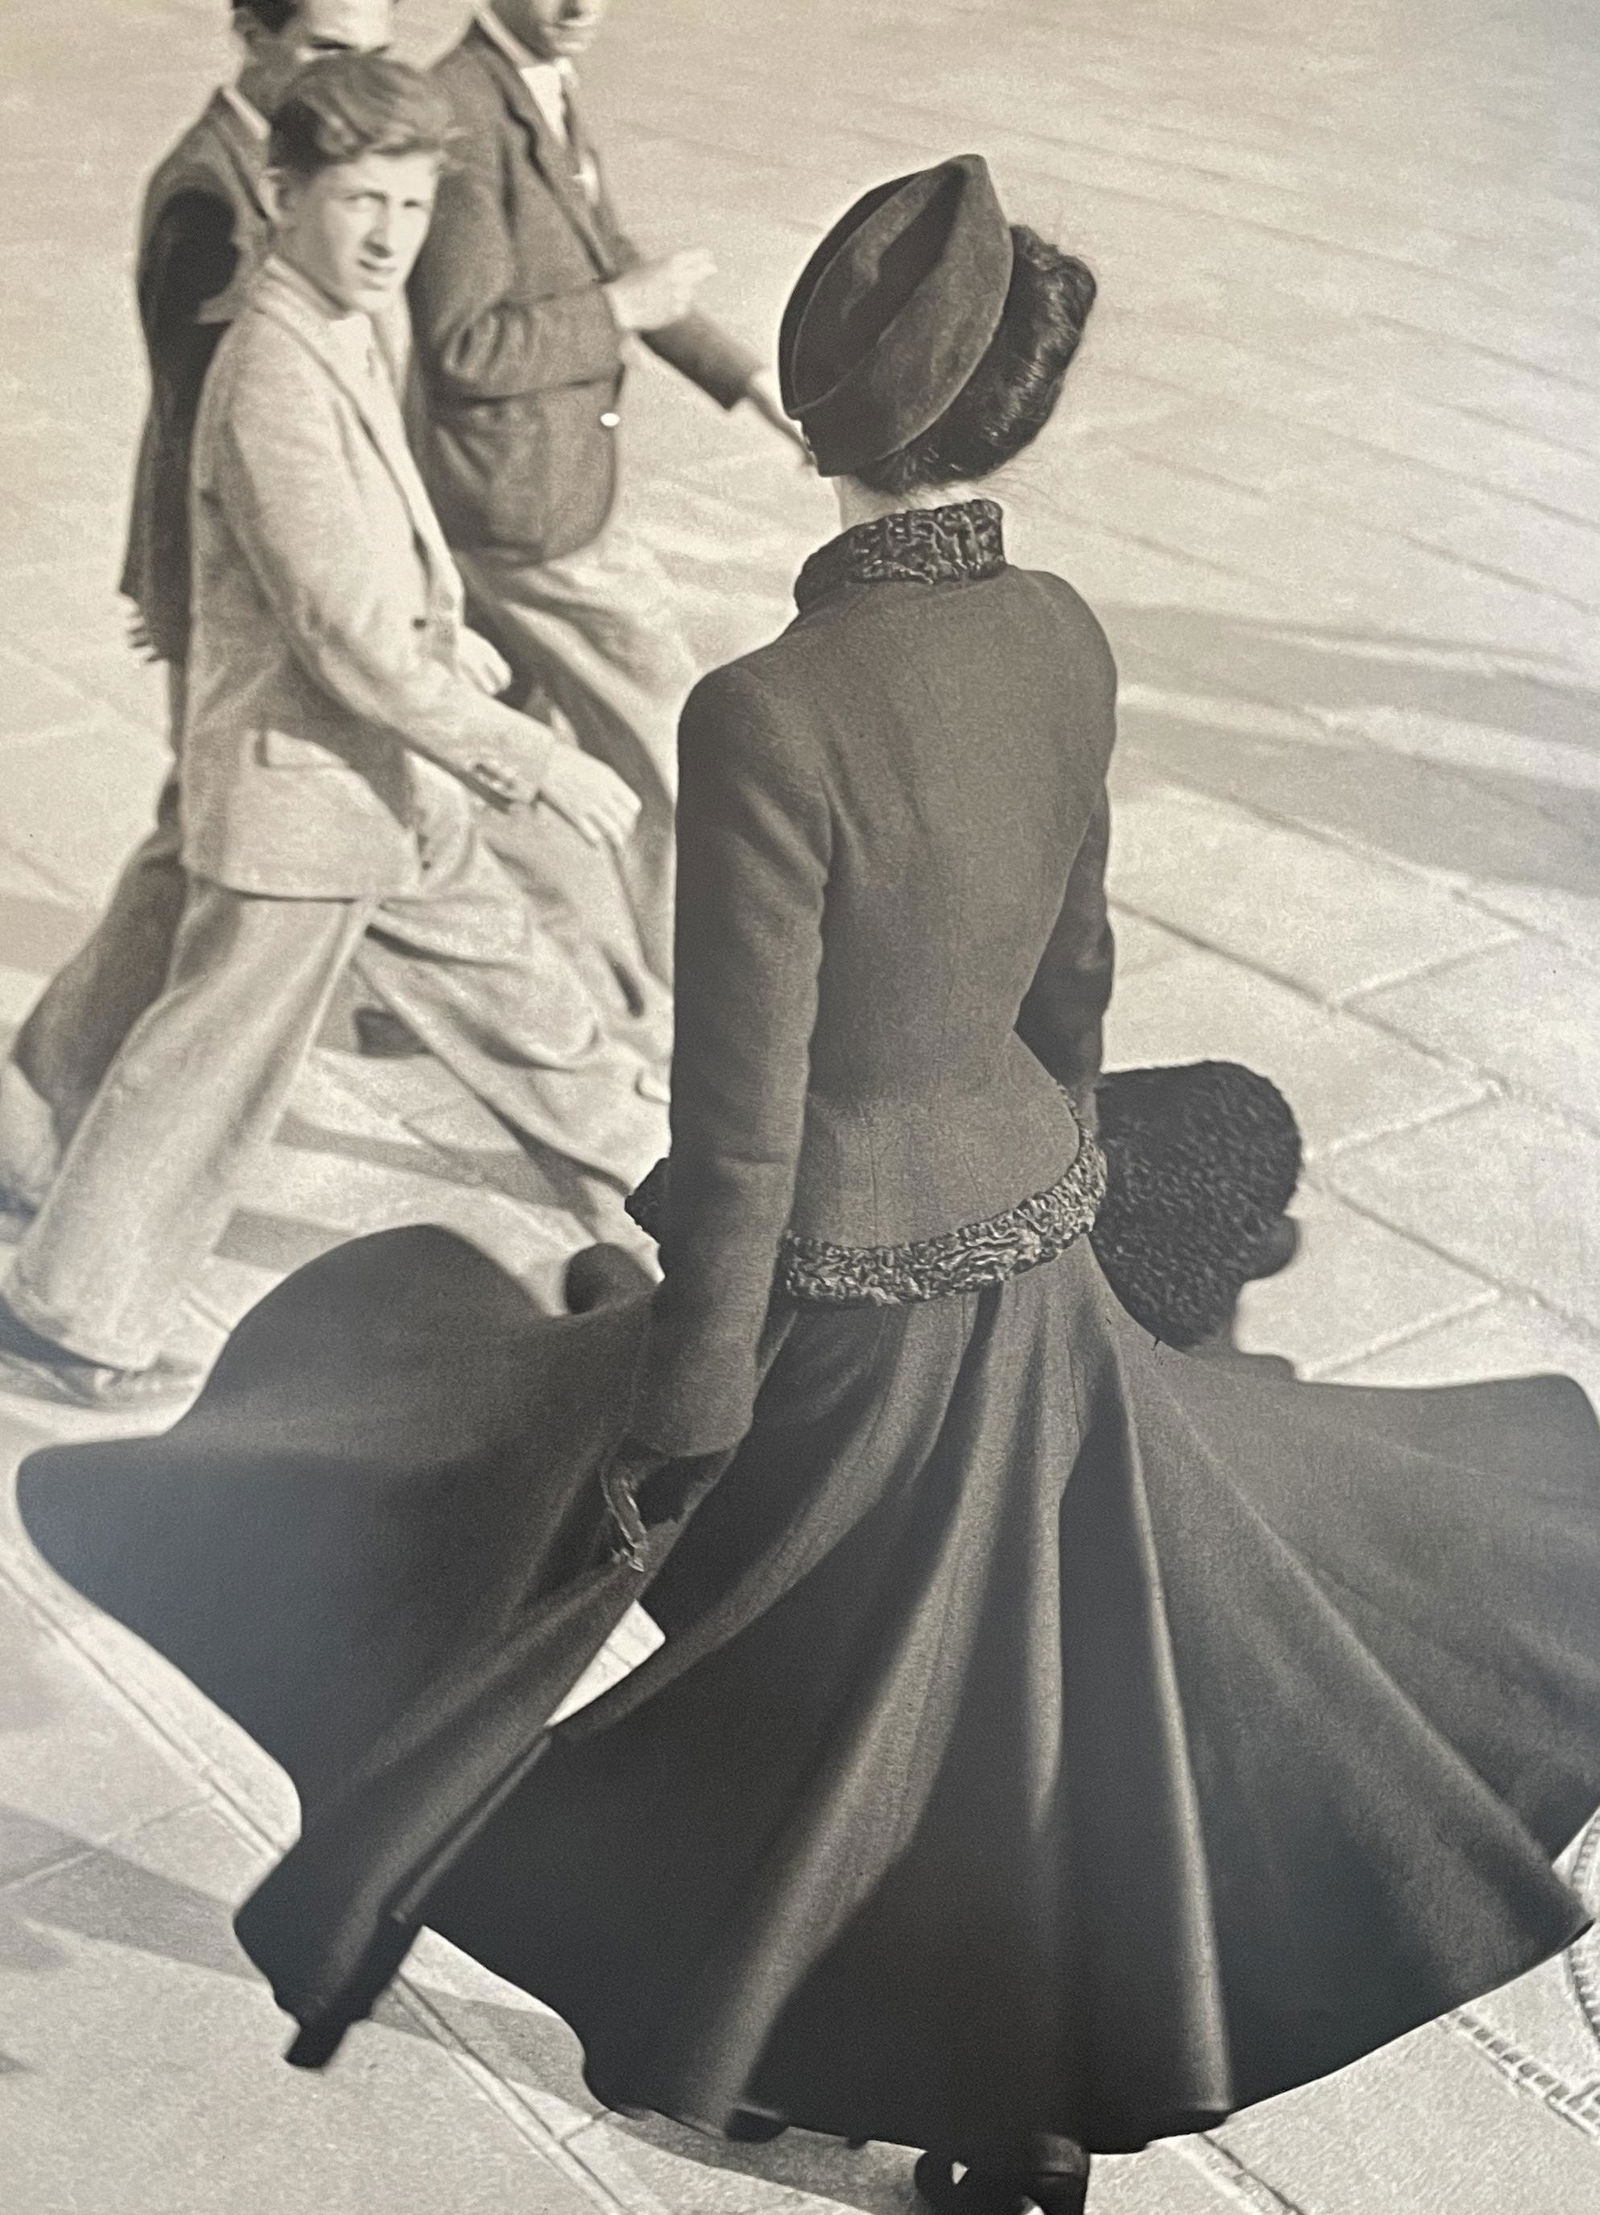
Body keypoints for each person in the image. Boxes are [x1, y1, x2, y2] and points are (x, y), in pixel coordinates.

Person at [20, 158, 1600, 2215]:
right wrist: (1056, 1193)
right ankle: (1003, 2127)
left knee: (820, 1698)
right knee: (992, 1707)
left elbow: (744, 1116)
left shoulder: (767, 709)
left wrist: (680, 1412)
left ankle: (898, 2080)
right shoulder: (1062, 635)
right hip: (1028, 1256)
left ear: (812, 415)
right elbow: (1074, 978)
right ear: (1002, 421)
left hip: (841, 1307)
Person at [0, 55, 663, 1411]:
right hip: (310, 793)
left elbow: (370, 559)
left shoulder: (337, 323)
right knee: (208, 1070)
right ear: (285, 191)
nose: (388, 237)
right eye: (361, 200)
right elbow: (343, 634)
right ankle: (65, 1317)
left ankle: (686, 1227)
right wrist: (533, 754)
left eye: (412, 207)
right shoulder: (270, 373)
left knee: (531, 1016)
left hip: (364, 787)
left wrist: (448, 632)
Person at [0, 0, 399, 1225]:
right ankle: (60, 1120)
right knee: (214, 842)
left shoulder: (284, 164)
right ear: (251, 31)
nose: (350, 77)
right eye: (327, 47)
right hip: (234, 578)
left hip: (278, 569)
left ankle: (42, 1093)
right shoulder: (207, 192)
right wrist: (182, 593)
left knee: (198, 834)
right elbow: (205, 418)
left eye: (372, 50)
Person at [408, 0, 808, 986]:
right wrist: (621, 308)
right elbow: (466, 344)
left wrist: (752, 385)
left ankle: (463, 971)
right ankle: (720, 1005)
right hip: (529, 510)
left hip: (515, 488)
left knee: (489, 751)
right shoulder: (460, 113)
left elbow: (604, 251)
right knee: (674, 738)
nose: (581, 5)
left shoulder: (534, 79)